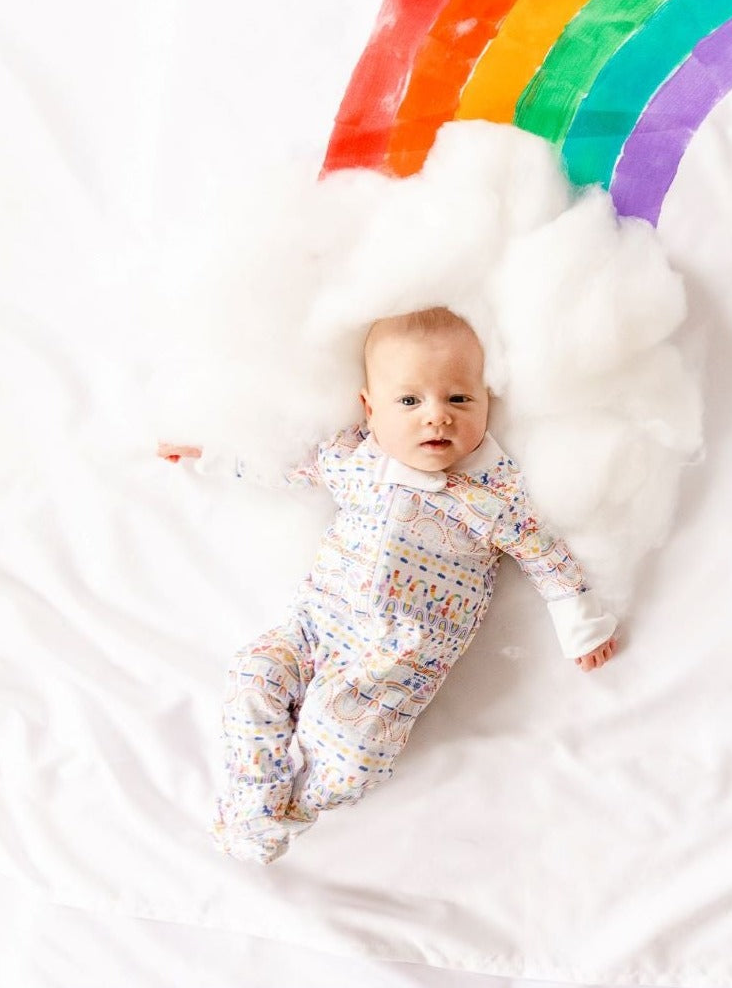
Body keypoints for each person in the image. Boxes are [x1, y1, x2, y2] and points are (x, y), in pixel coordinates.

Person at [160, 306, 618, 864]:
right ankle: (254, 804)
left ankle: (292, 809)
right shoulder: (353, 458)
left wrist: (582, 623)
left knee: (354, 758)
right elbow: (280, 469)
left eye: (459, 399)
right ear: (369, 407)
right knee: (253, 675)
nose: (437, 418)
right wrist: (212, 456)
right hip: (313, 631)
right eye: (410, 401)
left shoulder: (491, 495)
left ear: (487, 405)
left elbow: (544, 556)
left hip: (392, 667)